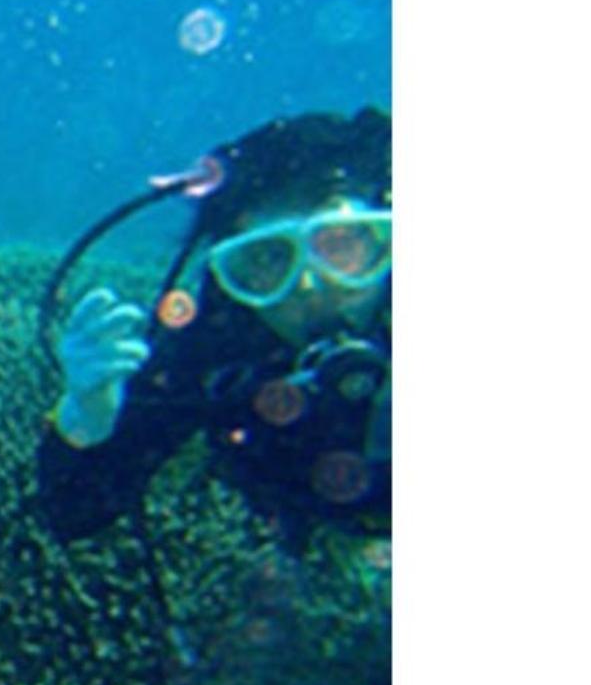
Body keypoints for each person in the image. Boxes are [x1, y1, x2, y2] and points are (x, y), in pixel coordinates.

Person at [35, 108, 391, 546]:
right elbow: (72, 515)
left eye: (338, 245)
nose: (308, 284)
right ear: (230, 274)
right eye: (268, 257)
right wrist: (83, 425)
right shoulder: (220, 342)